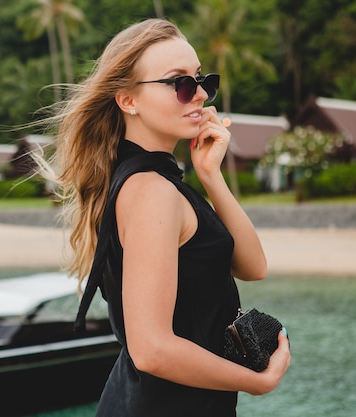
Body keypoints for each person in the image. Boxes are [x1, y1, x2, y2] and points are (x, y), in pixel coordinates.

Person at [41, 18, 291, 416]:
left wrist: (211, 174)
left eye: (202, 79)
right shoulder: (151, 191)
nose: (199, 95)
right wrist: (257, 383)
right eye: (180, 83)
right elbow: (151, 349)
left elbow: (252, 266)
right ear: (128, 100)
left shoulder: (151, 182)